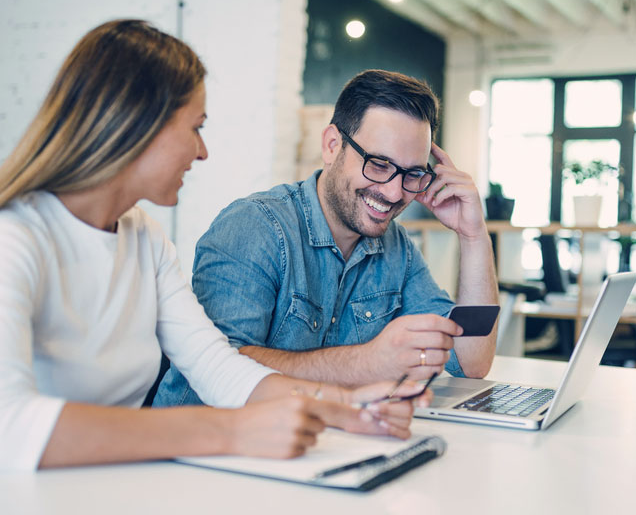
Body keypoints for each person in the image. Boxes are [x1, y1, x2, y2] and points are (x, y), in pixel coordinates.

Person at [0, 24, 426, 472]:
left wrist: (349, 406)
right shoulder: (15, 238)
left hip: (112, 493)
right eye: (195, 128)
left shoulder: (144, 238)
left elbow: (216, 366)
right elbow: (9, 424)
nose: (201, 152)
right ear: (135, 126)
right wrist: (233, 431)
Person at [155, 69, 498, 408]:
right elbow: (219, 371)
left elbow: (471, 360)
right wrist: (367, 363)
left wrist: (474, 234)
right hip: (199, 454)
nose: (394, 192)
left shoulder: (397, 248)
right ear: (333, 145)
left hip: (314, 444)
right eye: (378, 164)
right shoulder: (255, 227)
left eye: (412, 174)